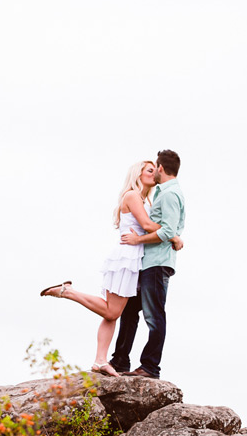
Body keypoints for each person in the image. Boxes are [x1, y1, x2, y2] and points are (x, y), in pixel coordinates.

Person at [38, 159, 181, 376]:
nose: (154, 174)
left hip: (136, 259)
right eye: (149, 171)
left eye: (155, 170)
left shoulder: (145, 200)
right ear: (138, 174)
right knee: (112, 310)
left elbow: (149, 227)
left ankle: (101, 360)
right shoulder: (133, 195)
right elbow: (147, 226)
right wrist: (174, 236)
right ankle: (68, 291)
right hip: (128, 258)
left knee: (113, 314)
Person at [109, 149, 185, 378]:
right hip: (145, 261)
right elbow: (162, 228)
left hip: (157, 261)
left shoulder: (169, 194)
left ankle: (151, 367)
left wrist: (140, 239)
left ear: (161, 169)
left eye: (154, 169)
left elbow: (167, 229)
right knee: (130, 312)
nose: (153, 173)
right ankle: (120, 360)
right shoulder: (155, 195)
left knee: (154, 315)